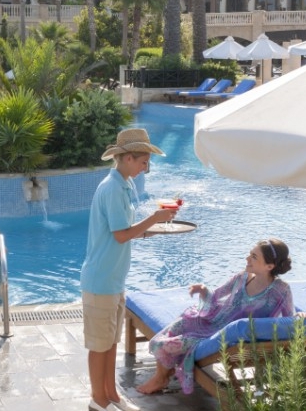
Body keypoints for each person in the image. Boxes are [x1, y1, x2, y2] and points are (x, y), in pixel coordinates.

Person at [81, 128, 177, 411]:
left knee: (111, 342)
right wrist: (155, 217)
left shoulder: (123, 184)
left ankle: (111, 394)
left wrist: (156, 229)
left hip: (113, 279)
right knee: (99, 345)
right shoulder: (112, 189)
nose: (146, 168)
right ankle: (98, 400)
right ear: (127, 158)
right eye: (144, 162)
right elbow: (121, 235)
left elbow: (126, 230)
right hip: (100, 280)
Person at [136, 238, 294, 396]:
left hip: (223, 337)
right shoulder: (242, 277)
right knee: (165, 335)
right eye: (250, 254)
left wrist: (300, 316)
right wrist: (203, 290)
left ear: (269, 266)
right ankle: (164, 373)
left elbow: (289, 322)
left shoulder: (280, 290)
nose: (247, 258)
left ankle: (161, 378)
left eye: (254, 257)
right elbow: (217, 295)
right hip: (211, 321)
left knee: (162, 345)